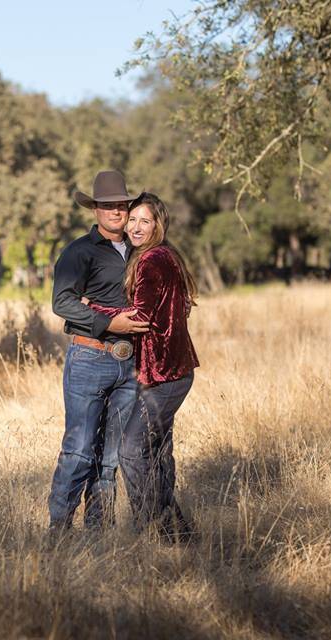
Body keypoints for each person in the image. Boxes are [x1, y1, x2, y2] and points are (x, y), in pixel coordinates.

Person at [85, 192, 200, 542]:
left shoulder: (151, 261)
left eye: (144, 221)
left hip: (165, 375)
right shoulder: (163, 256)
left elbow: (142, 317)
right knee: (158, 452)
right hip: (170, 371)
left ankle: (157, 529)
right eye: (132, 220)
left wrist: (94, 309)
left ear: (156, 226)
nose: (135, 227)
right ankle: (179, 532)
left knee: (132, 450)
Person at [47, 170, 149, 536]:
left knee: (110, 459)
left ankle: (98, 535)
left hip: (130, 364)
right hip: (89, 358)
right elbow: (61, 302)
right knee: (78, 450)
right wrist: (108, 324)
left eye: (121, 204)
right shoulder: (79, 251)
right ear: (95, 210)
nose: (115, 211)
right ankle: (57, 530)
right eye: (107, 205)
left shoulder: (141, 251)